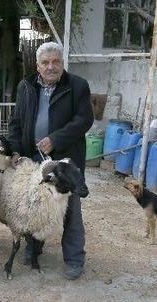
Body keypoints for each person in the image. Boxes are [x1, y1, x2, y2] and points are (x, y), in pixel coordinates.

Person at [7, 42, 94, 280]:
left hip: (67, 160)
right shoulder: (25, 87)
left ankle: (74, 259)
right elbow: (16, 123)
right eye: (45, 63)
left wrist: (55, 139)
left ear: (62, 63)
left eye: (55, 62)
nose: (51, 67)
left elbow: (84, 119)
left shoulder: (77, 86)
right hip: (34, 159)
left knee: (71, 210)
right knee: (35, 206)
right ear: (37, 65)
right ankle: (33, 247)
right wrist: (14, 150)